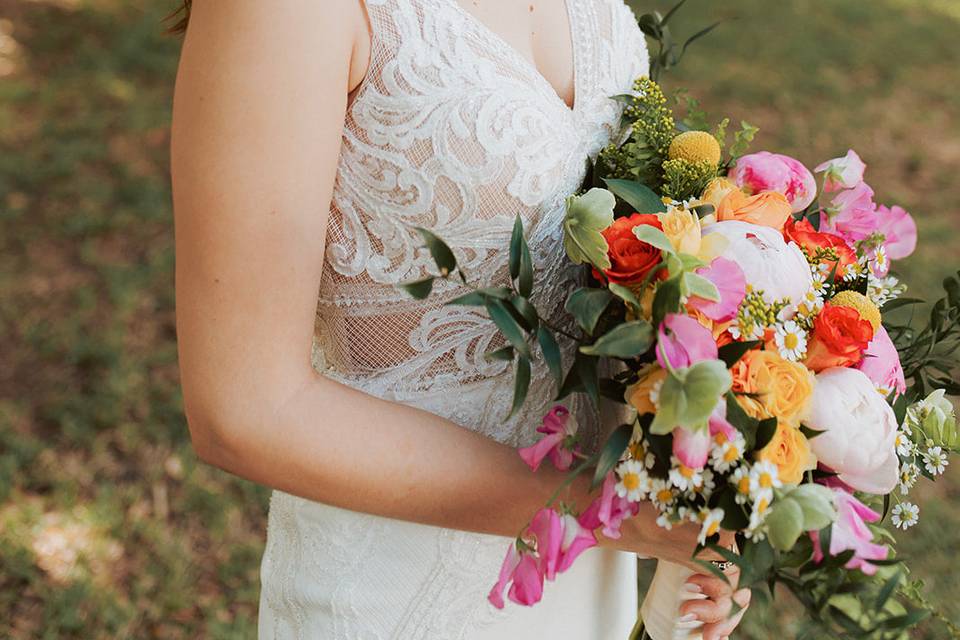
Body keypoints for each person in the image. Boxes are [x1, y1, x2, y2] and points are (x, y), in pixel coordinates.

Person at [170, 1, 750, 638]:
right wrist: (608, 510)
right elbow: (247, 409)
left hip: (582, 587)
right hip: (393, 594)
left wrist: (689, 479)